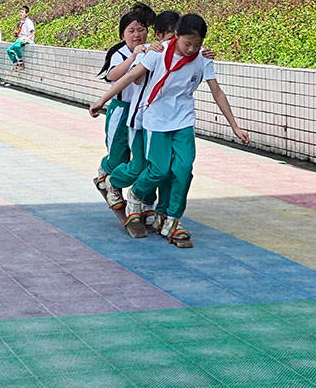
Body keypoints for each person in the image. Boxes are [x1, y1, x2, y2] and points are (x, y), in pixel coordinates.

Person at [90, 14, 248, 247]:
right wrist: (102, 100)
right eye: (187, 44)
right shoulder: (158, 52)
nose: (191, 49)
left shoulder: (203, 58)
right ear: (176, 36)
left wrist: (234, 125)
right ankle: (135, 194)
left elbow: (217, 92)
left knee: (183, 169)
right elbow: (129, 76)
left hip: (183, 120)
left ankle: (172, 219)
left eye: (197, 44)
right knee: (158, 170)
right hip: (155, 119)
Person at [92, 4, 155, 218]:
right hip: (121, 110)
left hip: (144, 113)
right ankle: (106, 170)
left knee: (141, 158)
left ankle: (144, 201)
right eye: (131, 30)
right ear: (122, 34)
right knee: (118, 155)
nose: (137, 34)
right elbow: (113, 76)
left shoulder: (153, 51)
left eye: (141, 29)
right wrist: (133, 57)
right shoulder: (120, 53)